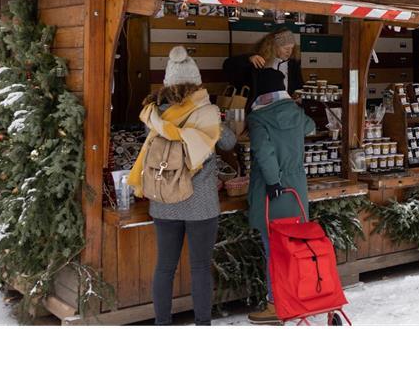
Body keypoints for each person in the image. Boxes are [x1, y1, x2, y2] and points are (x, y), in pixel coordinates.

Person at [127, 46, 235, 325]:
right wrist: (222, 122)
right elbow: (229, 143)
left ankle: (162, 324)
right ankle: (202, 324)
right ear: (196, 82)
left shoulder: (153, 115)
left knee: (164, 267)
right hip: (201, 203)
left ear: (167, 83)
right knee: (200, 267)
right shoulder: (208, 112)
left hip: (163, 200)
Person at [245, 67, 313, 324]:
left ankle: (276, 304)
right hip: (296, 189)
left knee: (273, 250)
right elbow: (310, 126)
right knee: (294, 247)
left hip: (272, 191)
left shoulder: (258, 118)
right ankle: (298, 297)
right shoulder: (296, 113)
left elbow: (264, 152)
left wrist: (273, 181)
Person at [222, 26, 302, 111]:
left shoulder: (293, 64)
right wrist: (248, 59)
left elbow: (298, 85)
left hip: (286, 108)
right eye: (286, 48)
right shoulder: (259, 60)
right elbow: (227, 66)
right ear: (274, 46)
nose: (289, 52)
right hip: (260, 110)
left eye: (292, 48)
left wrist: (297, 95)